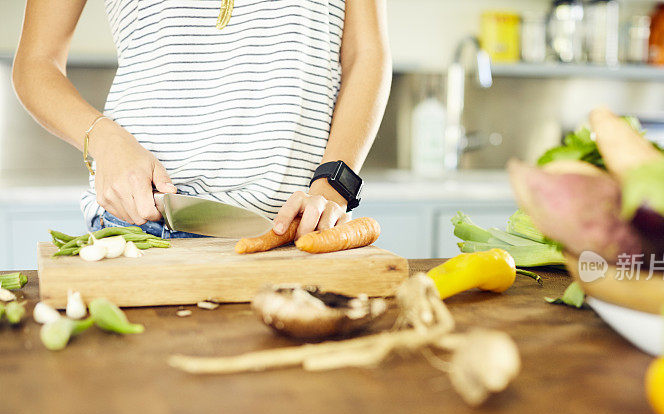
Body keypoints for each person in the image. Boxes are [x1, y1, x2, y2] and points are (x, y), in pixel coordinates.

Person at [12, 0, 390, 239]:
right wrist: (105, 140)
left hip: (296, 231)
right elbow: (36, 63)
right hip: (141, 226)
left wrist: (333, 186)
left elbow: (366, 54)